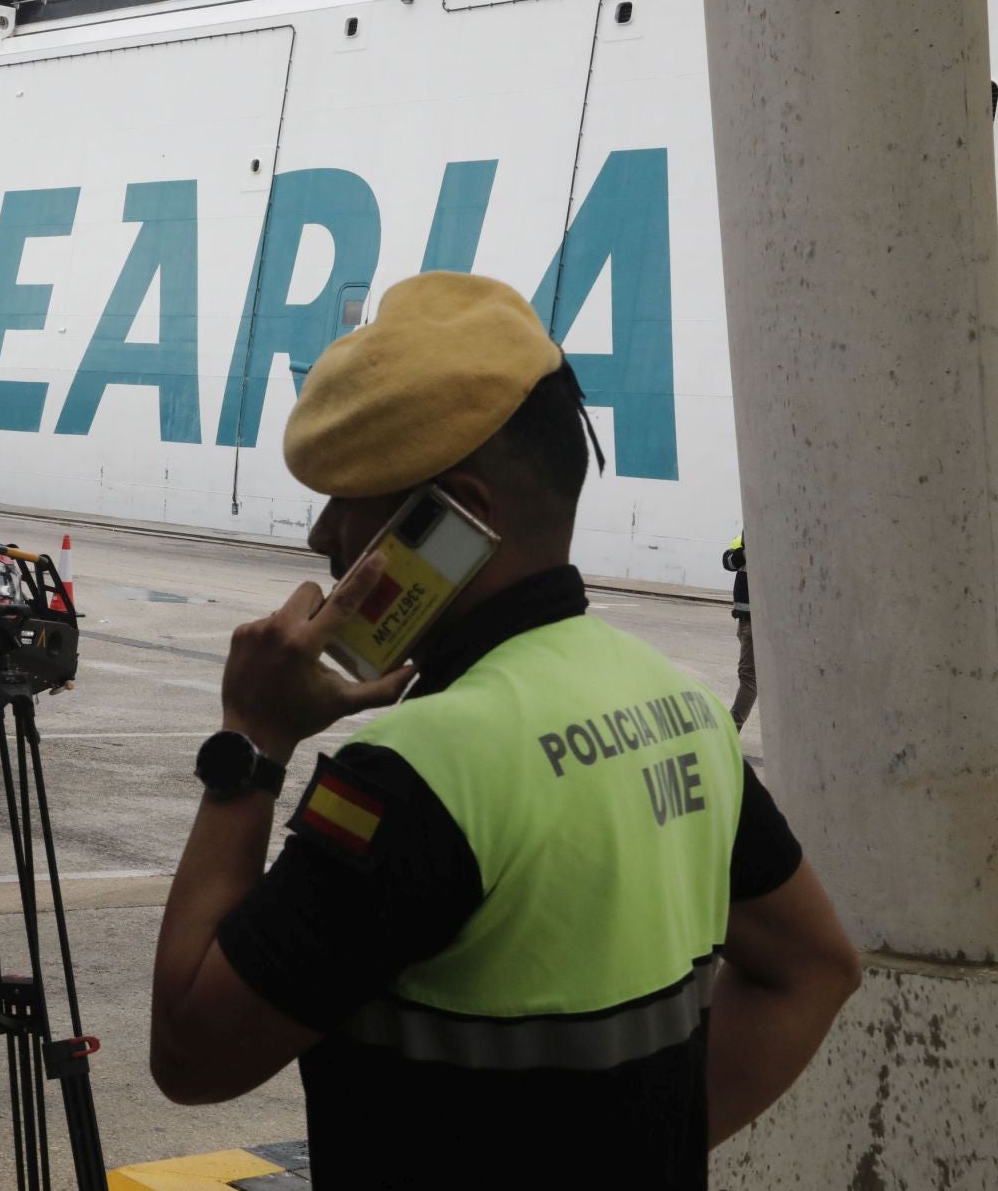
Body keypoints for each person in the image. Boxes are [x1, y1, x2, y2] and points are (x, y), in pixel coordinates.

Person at [149, 272, 859, 1190]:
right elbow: (815, 967)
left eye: (352, 502)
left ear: (459, 520)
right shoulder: (679, 706)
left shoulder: (415, 773)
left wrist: (252, 741)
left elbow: (191, 1053)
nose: (324, 536)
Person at [725, 529, 757, 727]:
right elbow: (728, 561)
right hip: (744, 620)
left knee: (748, 675)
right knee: (751, 674)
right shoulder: (745, 538)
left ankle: (732, 726)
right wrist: (744, 553)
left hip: (757, 622)